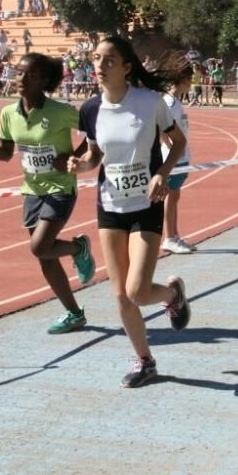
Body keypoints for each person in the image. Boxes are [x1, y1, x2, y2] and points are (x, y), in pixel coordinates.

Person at [68, 38, 192, 388]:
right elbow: (94, 156)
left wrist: (161, 174)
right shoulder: (90, 109)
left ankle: (172, 295)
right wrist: (80, 164)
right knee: (120, 294)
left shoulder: (150, 103)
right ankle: (145, 361)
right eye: (96, 59)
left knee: (137, 291)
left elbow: (178, 143)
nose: (100, 65)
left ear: (126, 67)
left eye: (109, 60)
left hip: (146, 205)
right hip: (110, 206)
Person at [0, 53, 96, 334]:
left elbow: (92, 132)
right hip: (32, 190)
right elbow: (6, 155)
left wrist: (72, 158)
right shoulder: (8, 113)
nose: (21, 79)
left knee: (40, 246)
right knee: (45, 257)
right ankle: (74, 313)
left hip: (60, 187)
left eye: (29, 75)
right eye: (19, 73)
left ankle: (79, 248)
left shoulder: (60, 111)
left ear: (43, 80)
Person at [160, 58, 197, 254]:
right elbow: (160, 126)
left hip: (179, 157)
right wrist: (170, 146)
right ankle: (169, 238)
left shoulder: (175, 102)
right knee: (171, 197)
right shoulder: (169, 102)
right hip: (172, 159)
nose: (191, 82)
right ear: (181, 79)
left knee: (174, 196)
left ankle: (174, 234)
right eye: (189, 78)